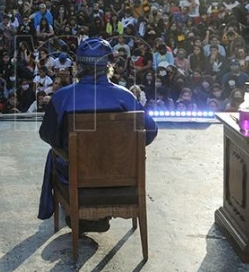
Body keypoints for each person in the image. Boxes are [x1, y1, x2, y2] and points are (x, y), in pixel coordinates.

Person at [37, 37, 158, 232]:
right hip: (120, 175)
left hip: (76, 174)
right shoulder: (126, 96)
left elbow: (47, 135)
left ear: (78, 66)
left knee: (55, 155)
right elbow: (151, 132)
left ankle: (77, 209)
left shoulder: (62, 97)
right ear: (108, 65)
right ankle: (101, 213)